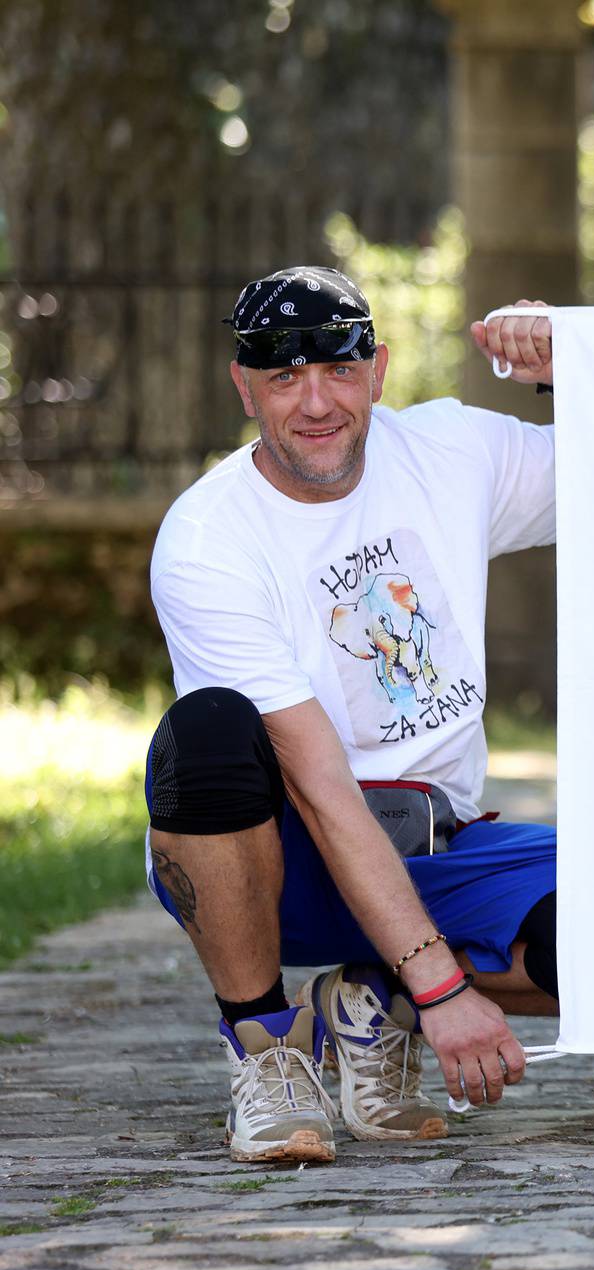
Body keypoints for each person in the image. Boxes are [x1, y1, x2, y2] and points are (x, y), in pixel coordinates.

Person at [143, 266, 559, 1162]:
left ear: (377, 368)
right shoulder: (209, 539)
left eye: (337, 367)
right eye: (284, 377)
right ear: (243, 385)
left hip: (438, 848)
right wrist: (447, 987)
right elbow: (323, 787)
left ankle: (376, 1003)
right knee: (209, 731)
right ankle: (263, 1048)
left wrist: (573, 365)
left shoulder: (450, 450)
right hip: (278, 863)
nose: (316, 402)